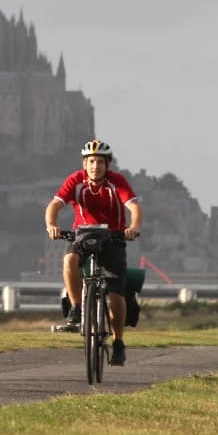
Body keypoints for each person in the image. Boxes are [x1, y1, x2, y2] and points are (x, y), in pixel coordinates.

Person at [44, 139, 142, 366]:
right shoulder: (76, 180)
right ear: (84, 163)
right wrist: (52, 225)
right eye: (91, 162)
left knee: (116, 295)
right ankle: (77, 307)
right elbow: (55, 204)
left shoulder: (117, 182)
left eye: (99, 162)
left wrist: (133, 228)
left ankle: (118, 343)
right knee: (69, 259)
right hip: (83, 234)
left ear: (107, 164)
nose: (95, 166)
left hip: (114, 238)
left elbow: (134, 206)